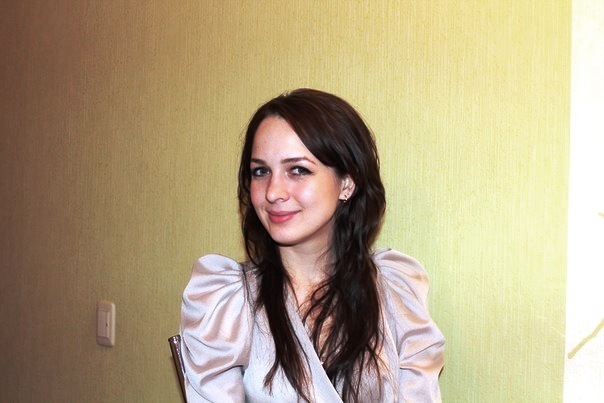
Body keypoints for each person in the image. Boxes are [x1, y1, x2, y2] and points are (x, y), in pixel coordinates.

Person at [180, 88, 445, 402]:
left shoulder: (394, 290)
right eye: (260, 171)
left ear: (347, 183)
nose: (273, 192)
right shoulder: (226, 300)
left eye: (298, 170)